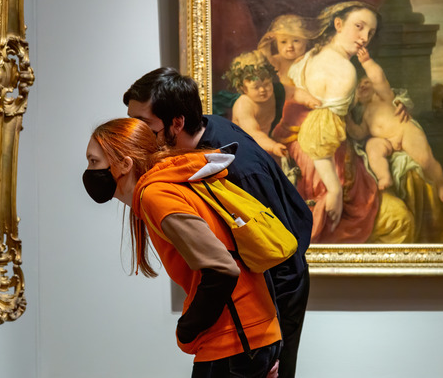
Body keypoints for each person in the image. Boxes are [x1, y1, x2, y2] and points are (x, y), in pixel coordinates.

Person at [124, 68, 313, 378]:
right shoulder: (197, 141)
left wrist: (274, 344)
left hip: (280, 291)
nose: (137, 135)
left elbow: (284, 258)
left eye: (145, 126)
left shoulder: (242, 171)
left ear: (177, 123)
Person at [83, 118, 281, 377]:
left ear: (124, 164)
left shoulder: (156, 195)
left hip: (234, 343)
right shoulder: (168, 185)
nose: (88, 170)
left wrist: (187, 328)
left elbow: (223, 269)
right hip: (253, 336)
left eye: (94, 161)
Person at [272, 1, 415, 244]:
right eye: (359, 27)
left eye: (370, 32)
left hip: (305, 149)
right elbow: (318, 137)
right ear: (338, 24)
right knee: (399, 219)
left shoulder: (311, 54)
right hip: (320, 162)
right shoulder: (343, 70)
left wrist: (395, 103)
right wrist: (334, 189)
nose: (364, 38)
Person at [347, 47, 443, 202]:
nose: (362, 85)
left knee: (425, 159)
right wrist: (347, 117)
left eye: (366, 82)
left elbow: (379, 78)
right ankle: (384, 177)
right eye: (359, 86)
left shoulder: (384, 97)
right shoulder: (364, 115)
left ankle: (441, 183)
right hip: (387, 141)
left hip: (405, 131)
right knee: (371, 146)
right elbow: (358, 133)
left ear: (375, 87)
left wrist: (367, 63)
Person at [224, 50, 287, 158]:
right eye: (256, 87)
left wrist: (311, 100)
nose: (263, 89)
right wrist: (273, 146)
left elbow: (295, 92)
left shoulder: (275, 92)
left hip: (266, 144)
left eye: (267, 84)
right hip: (245, 150)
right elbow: (253, 133)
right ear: (243, 88)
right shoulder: (244, 105)